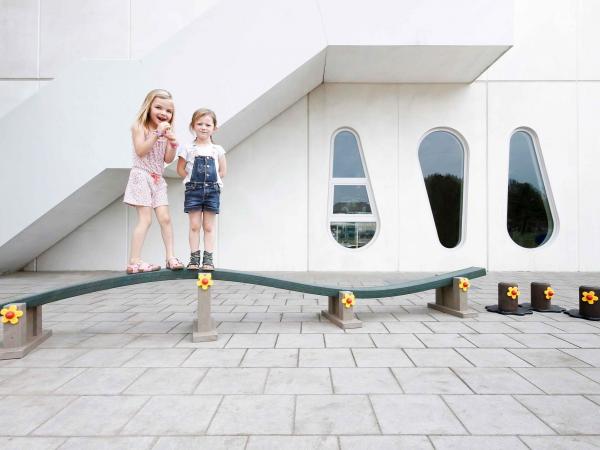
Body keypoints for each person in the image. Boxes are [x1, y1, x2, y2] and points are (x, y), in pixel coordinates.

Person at [123, 89, 184, 273]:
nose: (164, 113)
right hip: (141, 176)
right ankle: (134, 261)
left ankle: (170, 257)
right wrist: (157, 134)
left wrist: (173, 143)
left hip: (158, 179)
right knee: (145, 219)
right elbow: (141, 151)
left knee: (165, 218)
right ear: (148, 107)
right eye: (158, 107)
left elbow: (167, 158)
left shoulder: (166, 131)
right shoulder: (139, 127)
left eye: (168, 111)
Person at [177, 108, 227, 270]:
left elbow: (223, 171)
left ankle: (208, 260)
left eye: (208, 125)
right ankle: (193, 259)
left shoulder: (217, 150)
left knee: (209, 227)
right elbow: (180, 169)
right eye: (199, 124)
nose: (203, 127)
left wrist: (212, 183)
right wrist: (191, 182)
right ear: (193, 126)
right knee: (194, 226)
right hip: (194, 191)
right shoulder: (187, 148)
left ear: (214, 128)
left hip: (212, 191)